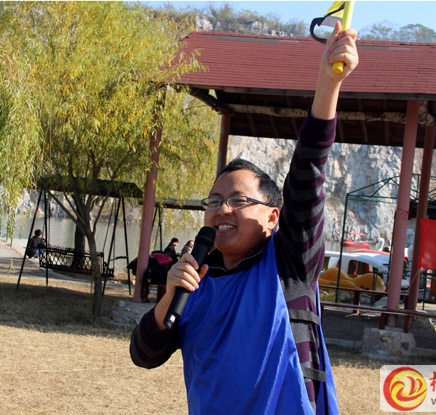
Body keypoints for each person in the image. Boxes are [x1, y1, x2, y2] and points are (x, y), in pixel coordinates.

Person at [130, 22, 358, 415]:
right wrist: (168, 298)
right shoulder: (194, 280)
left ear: (272, 218)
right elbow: (143, 355)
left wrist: (328, 82)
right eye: (215, 200)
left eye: (238, 200)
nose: (222, 209)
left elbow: (308, 172)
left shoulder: (289, 264)